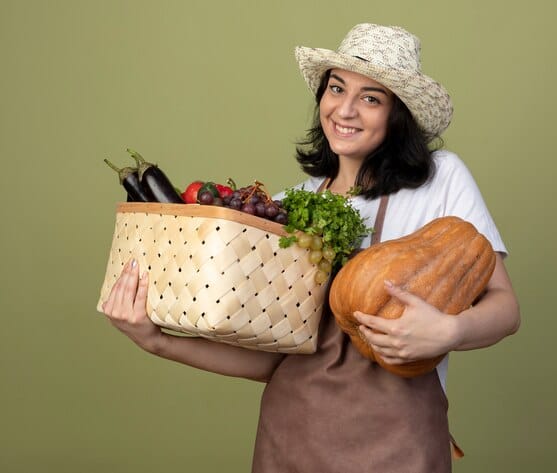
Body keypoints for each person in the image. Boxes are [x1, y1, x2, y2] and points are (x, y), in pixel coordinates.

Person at [102, 23, 520, 473]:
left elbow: (505, 308)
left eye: (371, 98)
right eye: (336, 88)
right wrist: (157, 341)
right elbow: (272, 361)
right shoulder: (288, 210)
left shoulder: (439, 180)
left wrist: (447, 332)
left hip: (400, 443)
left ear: (397, 115)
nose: (345, 109)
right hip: (292, 439)